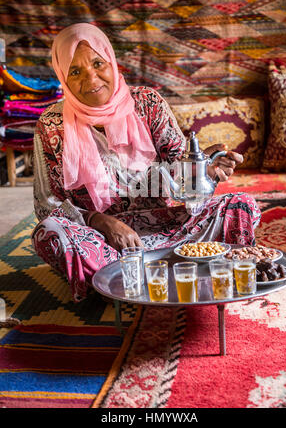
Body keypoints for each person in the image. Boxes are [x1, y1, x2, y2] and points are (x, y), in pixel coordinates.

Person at [31, 23, 261, 302]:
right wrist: (101, 221)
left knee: (239, 206)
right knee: (49, 233)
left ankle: (120, 280)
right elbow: (48, 205)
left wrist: (204, 169)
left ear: (111, 62)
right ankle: (169, 272)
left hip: (167, 230)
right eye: (75, 71)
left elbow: (183, 179)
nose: (91, 78)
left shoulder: (148, 104)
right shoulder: (52, 125)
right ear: (62, 76)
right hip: (100, 240)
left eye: (97, 63)